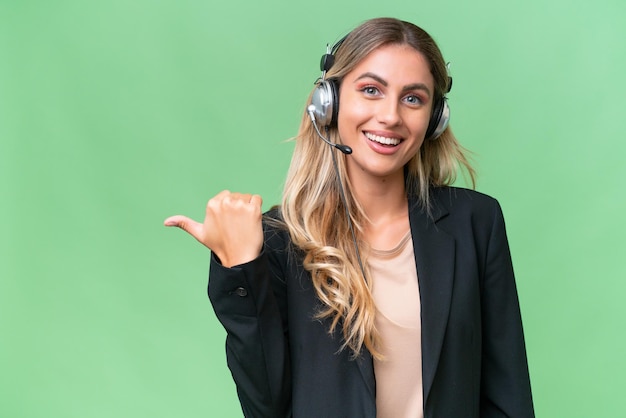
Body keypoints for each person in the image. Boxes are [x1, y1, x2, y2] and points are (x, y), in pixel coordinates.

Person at [164, 17, 534, 418]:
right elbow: (266, 406)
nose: (391, 116)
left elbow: (508, 396)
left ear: (434, 119)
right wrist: (240, 268)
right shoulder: (278, 240)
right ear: (329, 103)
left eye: (413, 98)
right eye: (371, 90)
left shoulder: (475, 222)